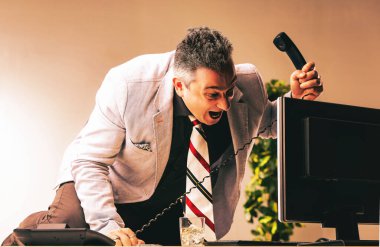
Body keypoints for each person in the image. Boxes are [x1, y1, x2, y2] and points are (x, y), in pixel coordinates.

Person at [2, 27, 323, 246]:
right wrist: (110, 228)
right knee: (61, 232)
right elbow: (90, 162)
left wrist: (293, 103)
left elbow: (266, 124)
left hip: (177, 202)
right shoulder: (129, 84)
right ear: (180, 85)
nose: (224, 104)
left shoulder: (248, 83)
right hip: (109, 184)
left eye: (228, 91)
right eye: (212, 95)